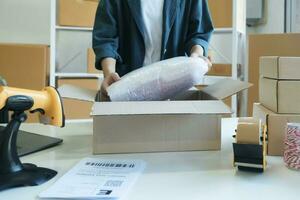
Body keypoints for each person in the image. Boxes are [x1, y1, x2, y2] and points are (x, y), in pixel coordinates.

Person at [93, 0, 214, 97]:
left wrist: (197, 55)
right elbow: (106, 36)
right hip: (126, 83)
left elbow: (199, 32)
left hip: (175, 82)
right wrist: (109, 73)